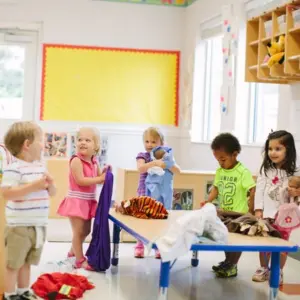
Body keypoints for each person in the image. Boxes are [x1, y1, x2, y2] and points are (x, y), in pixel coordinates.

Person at [1, 121, 56, 300]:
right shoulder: (14, 168)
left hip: (37, 225)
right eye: (40, 140)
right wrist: (34, 186)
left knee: (27, 262)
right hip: (19, 226)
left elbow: (52, 193)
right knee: (14, 263)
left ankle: (23, 291)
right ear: (27, 145)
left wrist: (51, 185)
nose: (43, 144)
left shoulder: (41, 167)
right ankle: (10, 295)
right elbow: (8, 193)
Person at [200, 133, 256, 278]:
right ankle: (227, 262)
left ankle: (233, 265)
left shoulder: (242, 172)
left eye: (223, 159)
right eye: (218, 159)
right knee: (226, 238)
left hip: (239, 214)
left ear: (235, 154)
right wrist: (208, 201)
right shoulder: (220, 171)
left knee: (237, 241)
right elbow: (216, 188)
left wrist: (251, 210)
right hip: (224, 211)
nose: (220, 162)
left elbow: (252, 189)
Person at [252, 130, 300, 284]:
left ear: (289, 150)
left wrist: (297, 191)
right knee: (264, 243)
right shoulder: (266, 170)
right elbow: (259, 190)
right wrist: (258, 209)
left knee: (281, 244)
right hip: (266, 214)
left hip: (284, 217)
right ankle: (263, 268)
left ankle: (278, 270)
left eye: (278, 149)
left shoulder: (295, 171)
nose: (273, 152)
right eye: (270, 149)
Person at [57, 127, 108, 271]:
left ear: (96, 146)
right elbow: (81, 180)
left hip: (88, 201)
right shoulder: (76, 161)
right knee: (78, 232)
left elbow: (99, 178)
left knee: (86, 231)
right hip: (77, 201)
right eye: (79, 140)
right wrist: (99, 178)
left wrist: (104, 175)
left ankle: (72, 253)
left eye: (87, 140)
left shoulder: (94, 161)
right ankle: (79, 260)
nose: (82, 143)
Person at [134, 127, 180, 259]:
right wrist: (154, 163)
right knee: (143, 220)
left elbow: (178, 170)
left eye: (153, 142)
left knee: (160, 220)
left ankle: (159, 246)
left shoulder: (166, 157)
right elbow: (140, 168)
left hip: (161, 194)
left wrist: (165, 164)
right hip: (144, 192)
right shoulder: (143, 156)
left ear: (162, 143)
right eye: (147, 141)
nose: (149, 145)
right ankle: (140, 245)